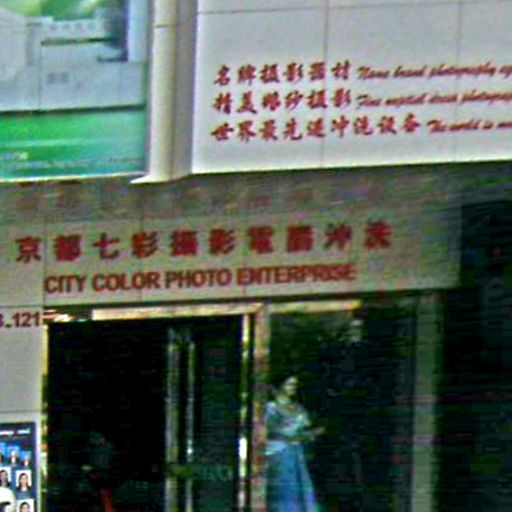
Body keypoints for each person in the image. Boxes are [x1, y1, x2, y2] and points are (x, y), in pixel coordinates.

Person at [266, 374, 323, 512]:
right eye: (289, 384)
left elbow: (305, 428)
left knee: (298, 486)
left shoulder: (298, 407)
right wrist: (290, 437)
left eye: (294, 385)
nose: (293, 387)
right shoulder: (270, 407)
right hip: (279, 452)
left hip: (296, 451)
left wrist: (310, 434)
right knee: (284, 486)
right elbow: (269, 432)